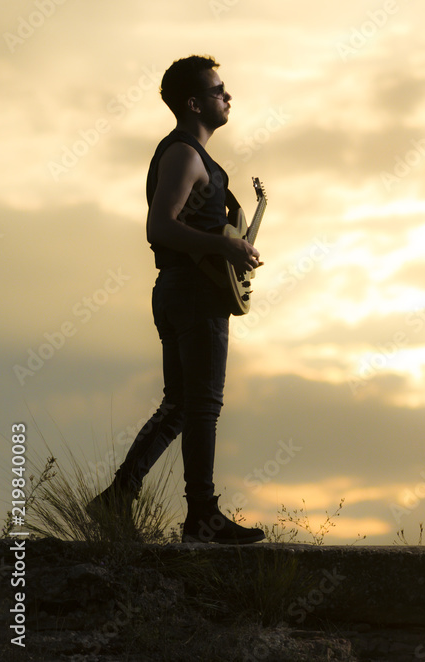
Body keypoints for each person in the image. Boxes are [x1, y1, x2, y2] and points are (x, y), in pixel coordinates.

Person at [87, 55, 264, 544]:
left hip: (180, 291)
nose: (228, 96)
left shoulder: (192, 156)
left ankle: (118, 496)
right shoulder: (184, 154)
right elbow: (160, 225)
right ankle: (202, 517)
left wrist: (229, 247)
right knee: (202, 404)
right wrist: (224, 245)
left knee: (181, 405)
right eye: (218, 90)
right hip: (191, 294)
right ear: (193, 102)